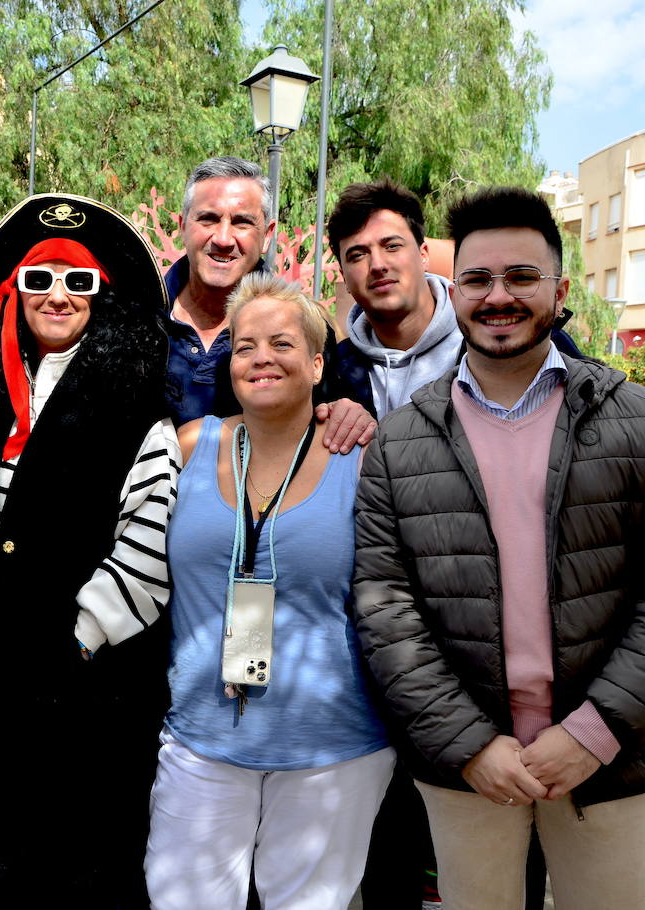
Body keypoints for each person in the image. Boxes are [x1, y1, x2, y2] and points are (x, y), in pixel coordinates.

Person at [351, 185, 645, 910]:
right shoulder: (399, 441)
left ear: (559, 290)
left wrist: (595, 731)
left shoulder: (641, 421)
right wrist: (467, 743)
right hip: (468, 765)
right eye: (479, 280)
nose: (499, 297)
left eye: (521, 278)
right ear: (453, 291)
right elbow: (383, 608)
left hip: (612, 759)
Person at [0, 193, 178, 907]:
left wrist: (82, 636)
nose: (57, 295)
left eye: (78, 280)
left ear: (104, 296)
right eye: (39, 280)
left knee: (79, 875)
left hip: (76, 695)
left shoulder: (138, 405)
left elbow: (151, 541)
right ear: (14, 293)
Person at [146, 273, 392, 909]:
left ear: (317, 362)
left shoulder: (362, 455)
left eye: (281, 343)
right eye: (244, 345)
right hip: (201, 735)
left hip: (331, 746)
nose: (260, 358)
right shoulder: (192, 444)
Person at [330, 178, 585, 422]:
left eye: (392, 246)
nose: (378, 265)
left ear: (423, 255)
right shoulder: (332, 371)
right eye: (357, 255)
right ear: (343, 275)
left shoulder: (530, 342)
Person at [166, 156, 373, 452]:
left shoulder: (308, 328)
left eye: (242, 222)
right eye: (208, 219)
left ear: (267, 235)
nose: (223, 238)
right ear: (183, 225)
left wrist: (352, 416)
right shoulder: (134, 319)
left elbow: (343, 427)